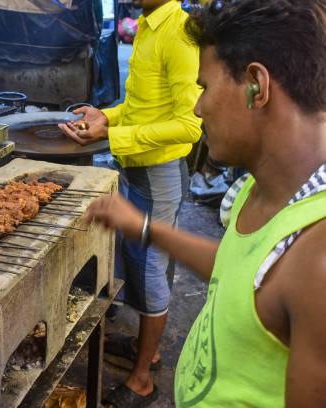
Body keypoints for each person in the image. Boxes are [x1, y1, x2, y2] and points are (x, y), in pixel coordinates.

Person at [83, 0, 326, 406]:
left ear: (256, 86)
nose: (198, 107)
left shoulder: (317, 262)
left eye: (205, 88)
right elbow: (234, 268)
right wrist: (144, 227)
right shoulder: (260, 186)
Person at [59, 0, 202, 404]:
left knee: (151, 267)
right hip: (137, 169)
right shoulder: (146, 25)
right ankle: (150, 350)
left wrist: (111, 137)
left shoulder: (179, 32)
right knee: (136, 261)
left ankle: (142, 379)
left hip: (159, 175)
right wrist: (105, 115)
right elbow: (141, 110)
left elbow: (190, 125)